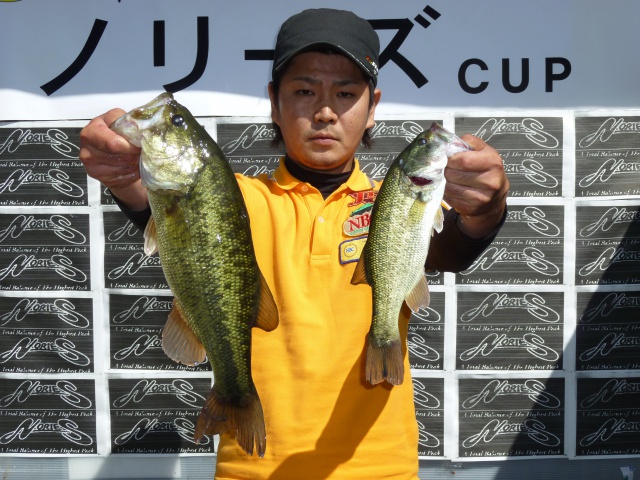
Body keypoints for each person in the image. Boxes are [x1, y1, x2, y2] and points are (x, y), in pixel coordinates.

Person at [80, 8, 509, 480]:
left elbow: (455, 248)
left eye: (345, 94)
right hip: (251, 469)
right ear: (273, 103)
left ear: (373, 108)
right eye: (304, 91)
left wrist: (486, 207)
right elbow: (157, 204)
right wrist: (120, 171)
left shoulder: (398, 198)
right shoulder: (234, 197)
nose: (325, 111)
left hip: (382, 467)